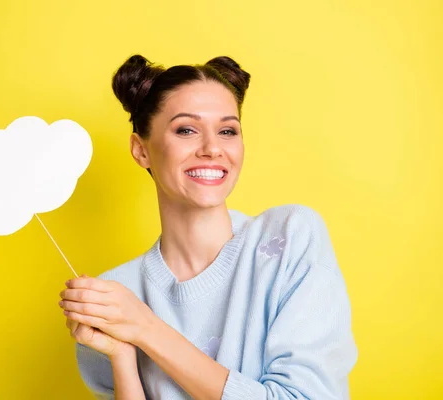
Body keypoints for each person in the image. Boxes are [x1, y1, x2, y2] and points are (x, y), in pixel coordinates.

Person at [58, 54, 358, 400]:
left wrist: (146, 330)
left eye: (227, 131)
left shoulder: (290, 238)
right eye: (186, 130)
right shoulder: (114, 296)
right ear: (141, 150)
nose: (213, 148)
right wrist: (124, 356)